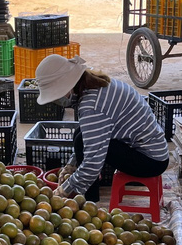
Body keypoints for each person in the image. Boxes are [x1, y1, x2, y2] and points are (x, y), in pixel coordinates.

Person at [35, 55, 169, 200]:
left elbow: (92, 165)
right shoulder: (92, 83)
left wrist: (63, 191)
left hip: (151, 160)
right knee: (80, 134)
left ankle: (90, 202)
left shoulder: (92, 106)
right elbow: (90, 135)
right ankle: (88, 196)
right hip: (147, 149)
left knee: (82, 143)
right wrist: (71, 164)